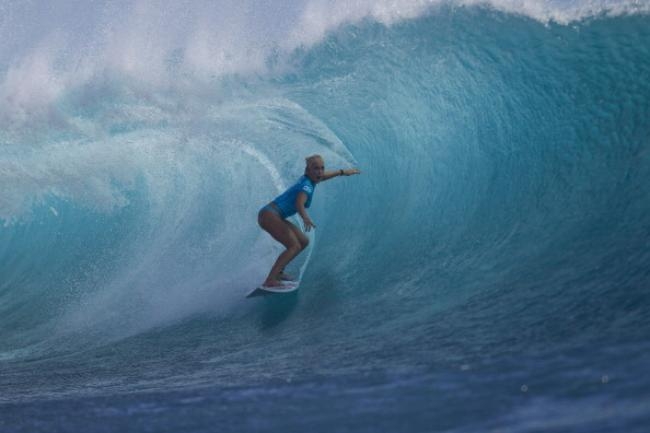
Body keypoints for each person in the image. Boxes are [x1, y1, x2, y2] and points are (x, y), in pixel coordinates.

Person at [258, 154, 361, 287]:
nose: (320, 172)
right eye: (316, 168)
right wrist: (306, 218)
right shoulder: (306, 186)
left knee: (303, 241)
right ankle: (270, 280)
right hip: (269, 215)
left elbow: (322, 177)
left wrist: (342, 172)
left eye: (322, 168)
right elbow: (299, 203)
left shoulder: (309, 180)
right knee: (294, 246)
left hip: (272, 215)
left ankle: (278, 272)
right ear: (307, 170)